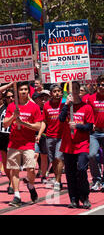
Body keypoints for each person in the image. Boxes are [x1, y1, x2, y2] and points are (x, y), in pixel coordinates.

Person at [3, 81, 42, 207]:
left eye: (25, 89)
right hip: (14, 143)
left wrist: (24, 124)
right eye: (21, 90)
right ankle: (17, 195)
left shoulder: (34, 107)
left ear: (28, 91)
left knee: (31, 169)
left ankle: (31, 185)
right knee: (14, 170)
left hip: (28, 143)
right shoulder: (11, 106)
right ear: (17, 92)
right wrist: (13, 116)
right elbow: (5, 124)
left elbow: (38, 126)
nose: (24, 91)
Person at [59, 81, 94, 209]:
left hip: (82, 144)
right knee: (70, 173)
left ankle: (85, 197)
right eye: (70, 89)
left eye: (75, 88)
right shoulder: (65, 105)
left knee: (82, 170)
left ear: (79, 90)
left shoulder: (87, 107)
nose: (73, 91)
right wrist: (66, 104)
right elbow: (61, 119)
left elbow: (89, 126)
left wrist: (78, 126)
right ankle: (73, 198)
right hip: (68, 145)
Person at [37, 84, 64, 192]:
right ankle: (59, 179)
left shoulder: (65, 103)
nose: (57, 93)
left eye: (59, 91)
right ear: (51, 93)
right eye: (54, 91)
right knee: (53, 160)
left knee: (58, 158)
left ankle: (57, 181)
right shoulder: (47, 105)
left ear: (61, 92)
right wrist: (39, 134)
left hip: (61, 136)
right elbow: (44, 121)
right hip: (49, 136)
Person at [0, 88, 15, 194]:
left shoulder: (17, 107)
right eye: (8, 97)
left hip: (13, 137)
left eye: (12, 96)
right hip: (2, 137)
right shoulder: (1, 106)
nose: (10, 99)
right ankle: (11, 180)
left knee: (12, 162)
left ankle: (12, 184)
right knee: (5, 164)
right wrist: (11, 83)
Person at [87, 75, 104, 192]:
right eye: (99, 84)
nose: (101, 87)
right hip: (94, 133)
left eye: (103, 85)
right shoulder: (90, 98)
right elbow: (86, 113)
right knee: (92, 155)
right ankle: (97, 180)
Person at [32, 90, 50, 183]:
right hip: (35, 135)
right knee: (34, 155)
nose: (43, 101)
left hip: (47, 136)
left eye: (46, 98)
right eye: (41, 98)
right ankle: (31, 175)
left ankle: (43, 176)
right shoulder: (35, 108)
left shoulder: (50, 108)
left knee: (44, 156)